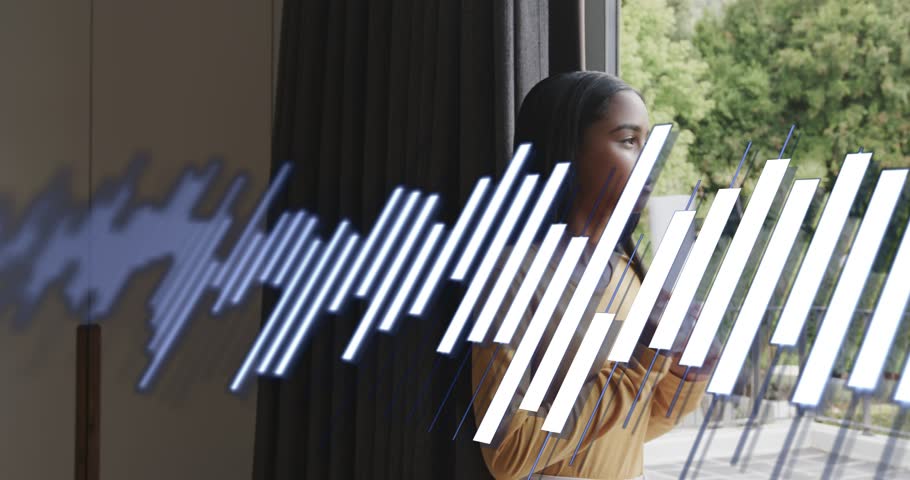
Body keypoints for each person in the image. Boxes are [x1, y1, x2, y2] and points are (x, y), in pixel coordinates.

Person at [470, 71, 720, 480]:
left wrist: (686, 374)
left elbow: (634, 426)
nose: (649, 162)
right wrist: (636, 364)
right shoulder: (513, 276)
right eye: (628, 141)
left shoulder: (628, 274)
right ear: (570, 150)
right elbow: (508, 454)